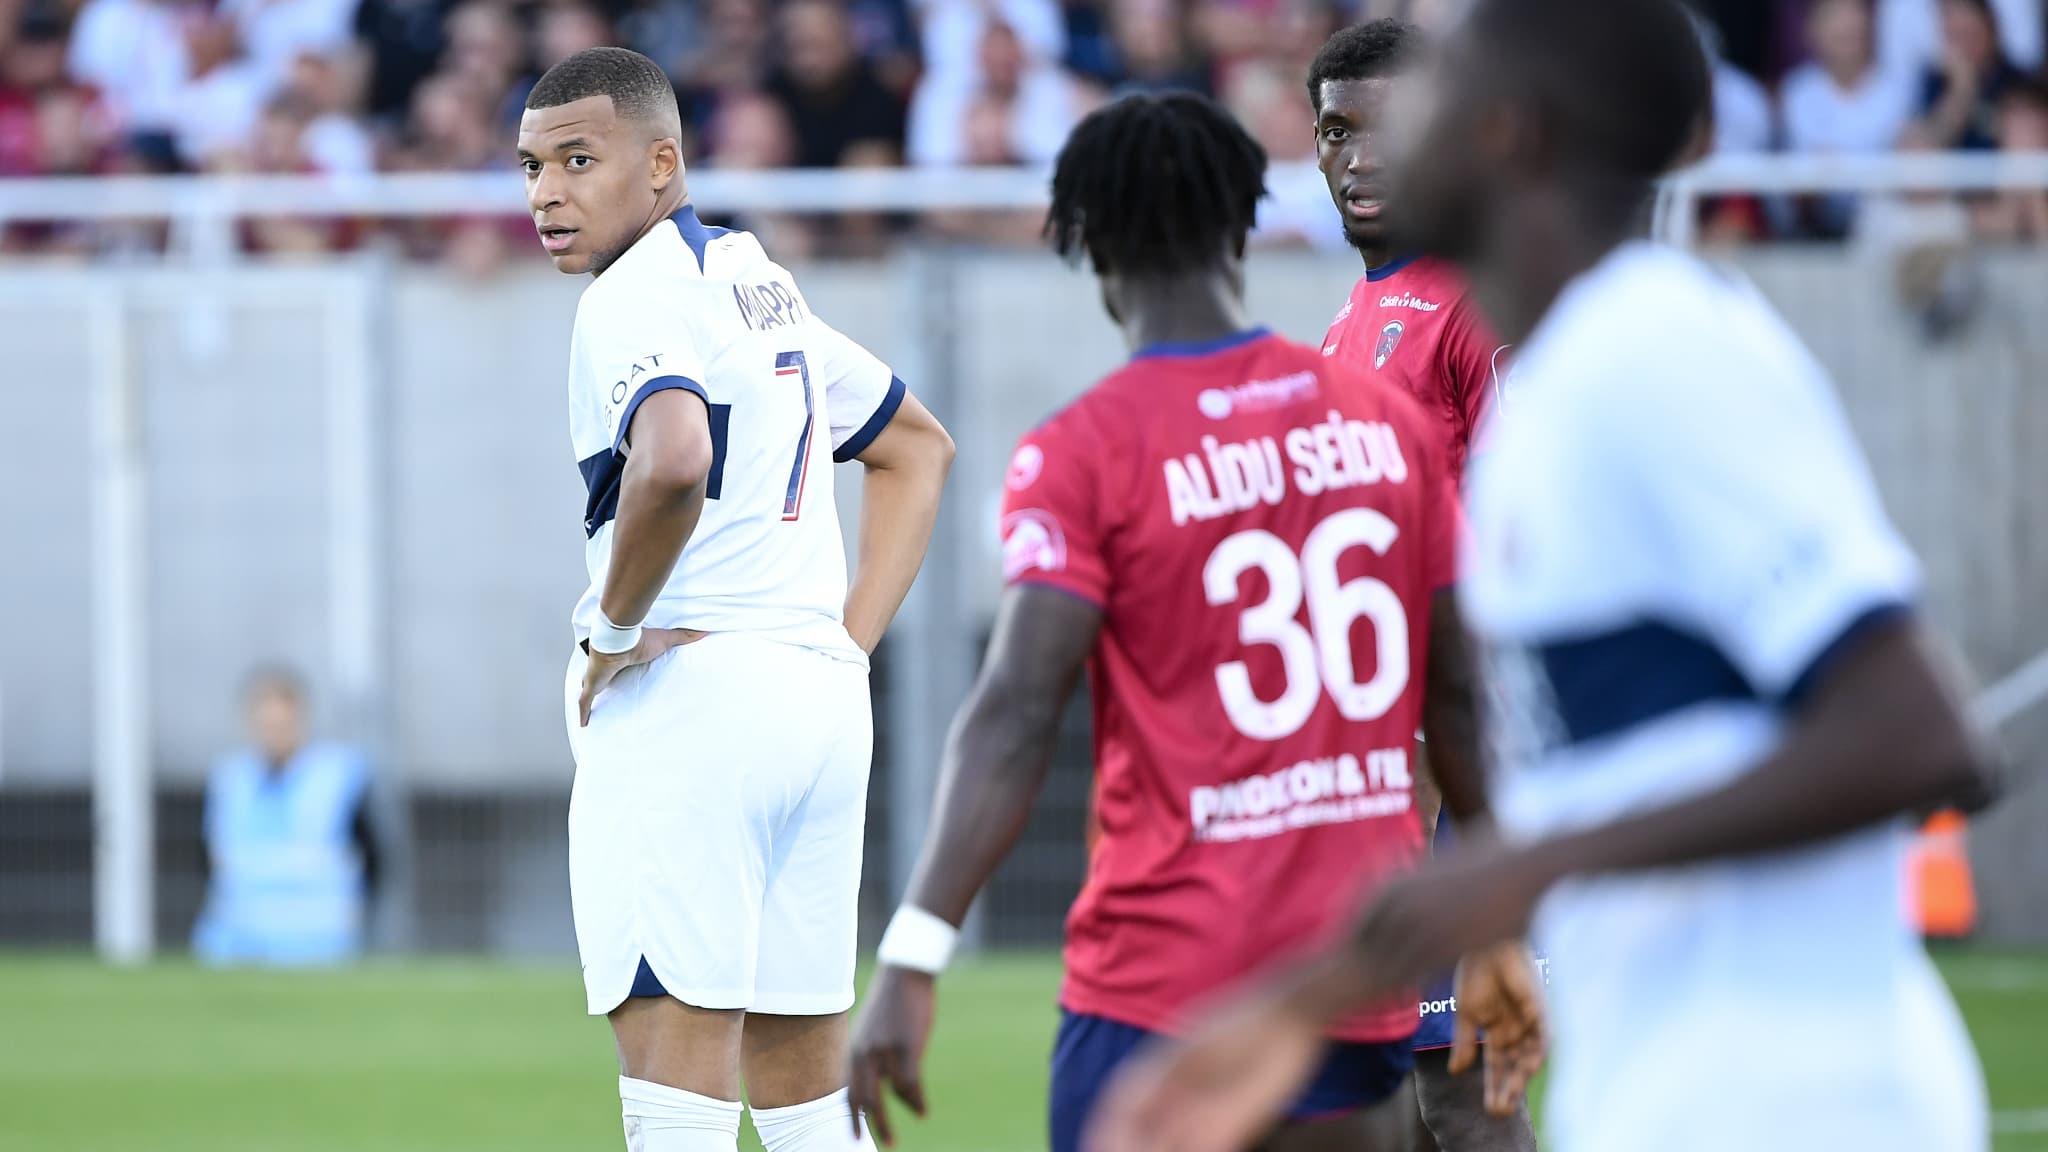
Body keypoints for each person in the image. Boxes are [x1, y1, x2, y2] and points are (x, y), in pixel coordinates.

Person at [1086, 1, 2000, 1151]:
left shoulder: (1655, 348)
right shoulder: (1570, 375)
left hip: (1800, 1101)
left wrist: (1512, 876)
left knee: (1462, 1116)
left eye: (1431, 91)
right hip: (1659, 1090)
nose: (1368, 141)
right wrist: (1302, 999)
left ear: (1505, 131)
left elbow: (1920, 735)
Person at [845, 90, 1535, 1152]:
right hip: (1350, 986)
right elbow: (1455, 694)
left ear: (1085, 243)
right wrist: (1489, 912)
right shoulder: (1380, 424)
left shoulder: (1083, 452)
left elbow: (1014, 712)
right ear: (1241, 222)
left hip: (1158, 993)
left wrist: (914, 949)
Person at [516, 46, 955, 1152]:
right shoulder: (755, 280)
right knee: (807, 1099)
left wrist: (611, 632)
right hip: (813, 706)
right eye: (530, 167)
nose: (547, 193)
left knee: (679, 1100)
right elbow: (918, 447)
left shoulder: (632, 294)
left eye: (578, 160)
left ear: (662, 162)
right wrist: (836, 648)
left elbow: (669, 457)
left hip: (693, 709)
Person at [1306, 19, 1535, 1152]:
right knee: (1385, 1086)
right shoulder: (1351, 318)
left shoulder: (1469, 299)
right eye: (1336, 129)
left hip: (1462, 758)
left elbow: (1513, 529)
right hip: (1380, 764)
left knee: (1459, 1077)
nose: (1361, 154)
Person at [193, 667, 380, 967]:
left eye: (283, 723)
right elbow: (210, 855)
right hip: (238, 938)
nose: (275, 733)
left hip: (320, 939)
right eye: (266, 723)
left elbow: (372, 855)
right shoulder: (231, 780)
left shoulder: (337, 776)